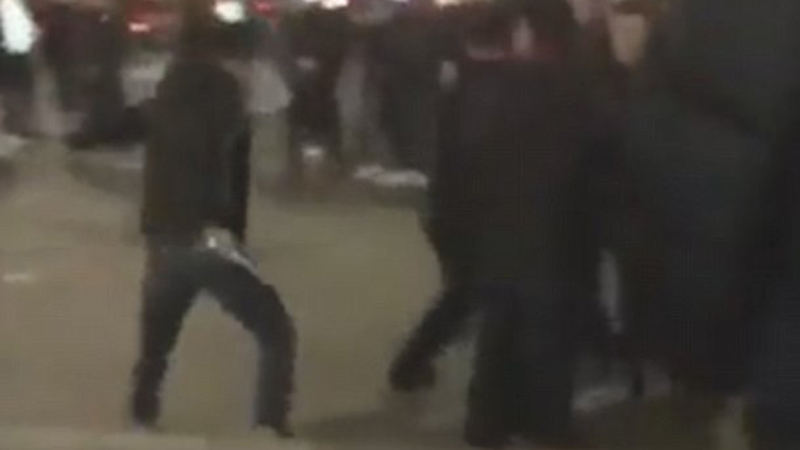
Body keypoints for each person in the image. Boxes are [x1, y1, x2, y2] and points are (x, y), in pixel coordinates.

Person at [391, 2, 598, 447]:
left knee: (498, 324)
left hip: (492, 226)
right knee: (542, 333)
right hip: (546, 230)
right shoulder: (569, 88)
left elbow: (462, 158)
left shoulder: (489, 85)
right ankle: (545, 425)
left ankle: (487, 423)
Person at [129, 4, 294, 435]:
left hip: (163, 233)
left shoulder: (167, 89)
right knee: (276, 330)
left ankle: (141, 416)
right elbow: (228, 172)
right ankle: (269, 424)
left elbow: (129, 127)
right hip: (205, 236)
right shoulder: (224, 95)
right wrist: (232, 235)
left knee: (157, 339)